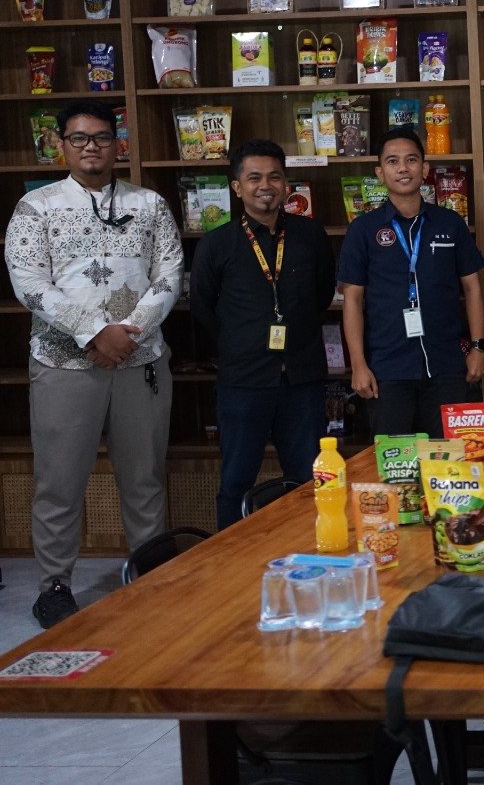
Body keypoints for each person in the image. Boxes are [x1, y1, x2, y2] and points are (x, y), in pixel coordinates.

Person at [4, 101, 182, 627]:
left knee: (145, 477)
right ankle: (55, 585)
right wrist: (93, 332)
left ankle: (151, 575)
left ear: (117, 144)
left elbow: (170, 274)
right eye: (79, 138)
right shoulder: (35, 207)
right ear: (61, 144)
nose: (91, 147)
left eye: (102, 137)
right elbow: (29, 282)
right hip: (64, 363)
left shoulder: (149, 204)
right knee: (58, 482)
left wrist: (128, 332)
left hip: (139, 359)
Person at [191, 139, 336, 528]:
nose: (265, 186)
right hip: (243, 380)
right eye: (254, 178)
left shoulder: (310, 235)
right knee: (236, 481)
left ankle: (311, 550)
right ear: (237, 187)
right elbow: (202, 306)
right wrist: (240, 342)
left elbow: (322, 294)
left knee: (309, 480)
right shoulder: (216, 243)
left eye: (274, 176)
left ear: (286, 184)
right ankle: (233, 555)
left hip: (302, 378)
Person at [339, 126, 484, 437]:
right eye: (392, 161)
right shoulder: (363, 230)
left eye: (411, 160)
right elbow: (352, 299)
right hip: (388, 368)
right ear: (380, 173)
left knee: (448, 458)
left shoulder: (450, 223)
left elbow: (473, 288)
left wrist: (478, 347)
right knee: (396, 460)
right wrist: (358, 364)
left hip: (447, 365)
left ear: (425, 168)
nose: (403, 168)